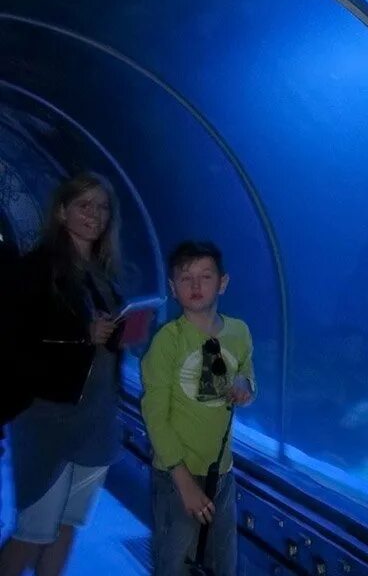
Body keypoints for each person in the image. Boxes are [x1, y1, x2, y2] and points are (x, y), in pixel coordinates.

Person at [0, 173, 125, 576]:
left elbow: (100, 339)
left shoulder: (104, 272)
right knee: (33, 533)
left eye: (102, 207)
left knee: (67, 527)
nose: (95, 214)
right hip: (47, 418)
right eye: (84, 205)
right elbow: (15, 341)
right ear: (61, 211)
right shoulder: (37, 268)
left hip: (96, 417)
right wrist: (81, 336)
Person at [140, 241, 255, 576]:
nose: (195, 285)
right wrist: (184, 481)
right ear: (173, 289)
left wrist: (246, 386)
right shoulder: (167, 340)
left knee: (223, 561)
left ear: (223, 282)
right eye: (185, 278)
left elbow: (246, 370)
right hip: (176, 473)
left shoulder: (239, 331)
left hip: (222, 472)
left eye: (205, 276)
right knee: (174, 561)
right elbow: (155, 415)